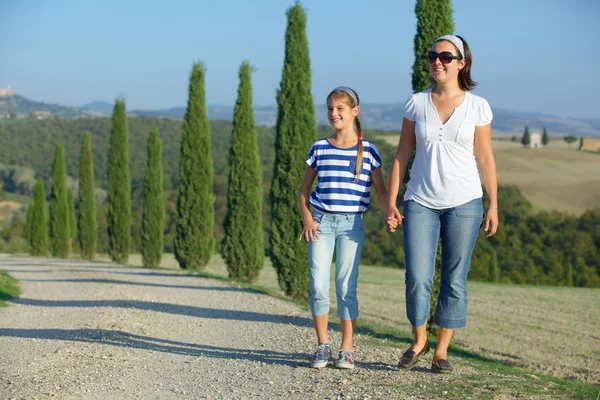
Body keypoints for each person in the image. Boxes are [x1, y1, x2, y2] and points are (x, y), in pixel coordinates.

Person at [386, 34, 499, 373]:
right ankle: (419, 340)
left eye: (447, 57)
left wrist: (493, 204)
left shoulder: (478, 106)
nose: (438, 61)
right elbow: (402, 153)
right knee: (417, 276)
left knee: (454, 278)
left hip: (465, 203)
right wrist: (392, 201)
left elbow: (486, 157)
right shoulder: (416, 103)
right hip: (420, 200)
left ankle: (441, 352)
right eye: (433, 55)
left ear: (462, 63)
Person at [299, 86, 393, 369]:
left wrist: (391, 211)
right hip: (321, 223)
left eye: (340, 108)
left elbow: (381, 191)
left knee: (345, 286)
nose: (334, 114)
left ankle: (347, 349)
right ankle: (322, 346)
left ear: (355, 111)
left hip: (352, 225)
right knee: (317, 285)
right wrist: (306, 217)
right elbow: (304, 190)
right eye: (330, 108)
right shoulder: (319, 147)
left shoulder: (370, 151)